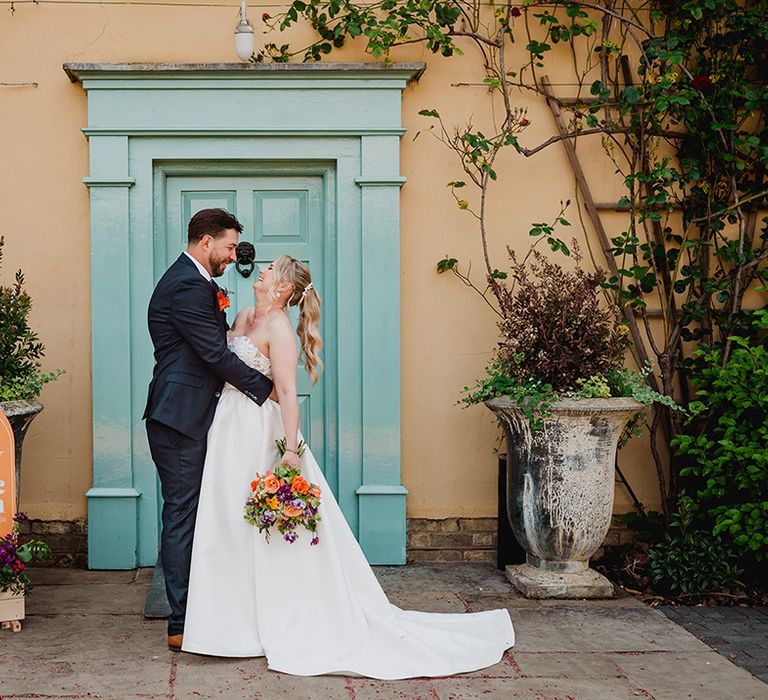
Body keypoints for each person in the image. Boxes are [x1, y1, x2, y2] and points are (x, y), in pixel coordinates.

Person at [182, 255, 515, 678]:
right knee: (225, 520)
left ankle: (263, 623)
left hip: (256, 433)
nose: (261, 271)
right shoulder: (244, 314)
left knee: (259, 528)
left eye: (270, 271)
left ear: (283, 289)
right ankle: (225, 625)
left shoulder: (280, 329)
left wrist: (287, 450)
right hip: (225, 425)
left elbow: (286, 391)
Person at [144, 208, 274, 652]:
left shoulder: (194, 281)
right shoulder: (186, 285)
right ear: (205, 242)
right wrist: (266, 388)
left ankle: (199, 609)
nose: (234, 254)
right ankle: (180, 623)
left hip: (189, 412)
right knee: (182, 516)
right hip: (179, 416)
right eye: (229, 246)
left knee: (194, 514)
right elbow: (214, 356)